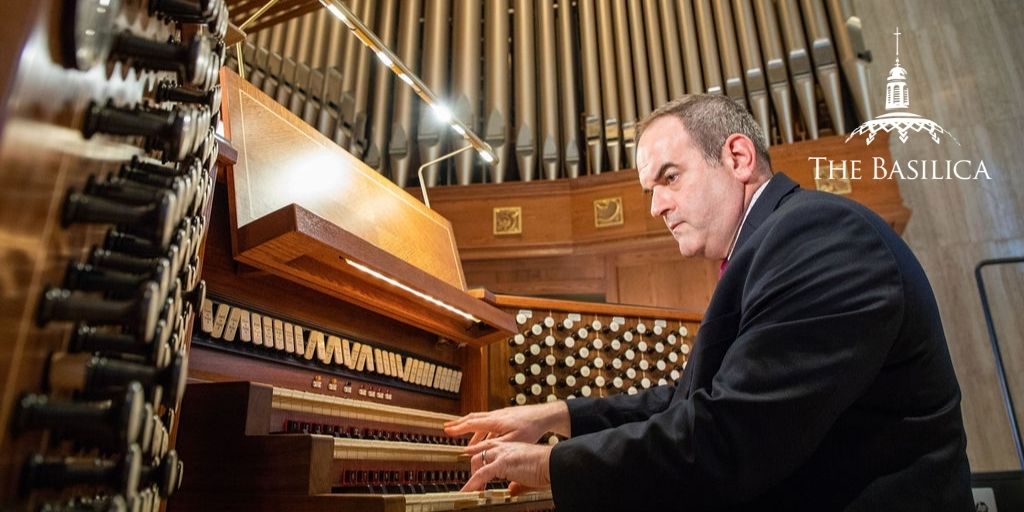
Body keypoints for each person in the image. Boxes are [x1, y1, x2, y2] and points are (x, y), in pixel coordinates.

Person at [443, 94, 973, 511]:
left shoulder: (819, 236)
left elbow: (730, 438)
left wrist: (550, 468)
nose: (656, 208)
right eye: (650, 189)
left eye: (669, 178)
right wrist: (555, 416)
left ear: (738, 157)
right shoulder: (774, 243)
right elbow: (688, 401)